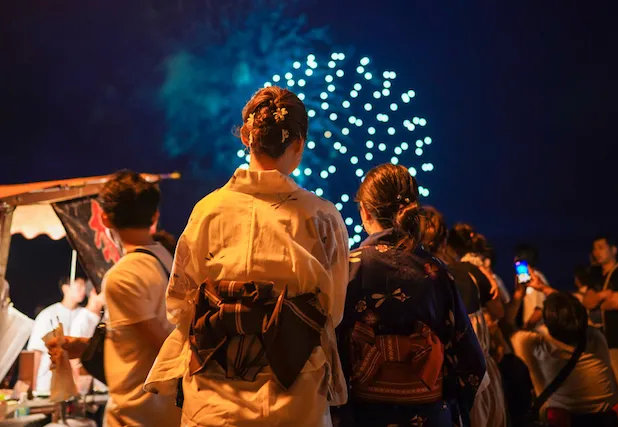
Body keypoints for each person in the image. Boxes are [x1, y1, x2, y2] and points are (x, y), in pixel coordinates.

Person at [143, 86, 349, 426]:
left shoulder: (208, 210)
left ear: (246, 137)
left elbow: (180, 303)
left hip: (213, 397)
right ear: (298, 145)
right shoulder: (321, 216)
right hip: (294, 390)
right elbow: (332, 309)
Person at [336, 168, 486, 427]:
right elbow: (471, 361)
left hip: (367, 416)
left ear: (365, 212)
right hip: (429, 415)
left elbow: (333, 351)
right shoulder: (436, 270)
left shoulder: (347, 268)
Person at [48, 171, 181, 426]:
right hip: (169, 410)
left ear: (105, 219)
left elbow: (164, 347)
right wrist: (86, 347)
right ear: (154, 216)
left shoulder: (123, 275)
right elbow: (142, 338)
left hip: (137, 414)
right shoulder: (166, 259)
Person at [512, 286, 618, 425]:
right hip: (604, 419)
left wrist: (519, 295)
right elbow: (575, 315)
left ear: (547, 323)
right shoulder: (596, 337)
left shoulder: (537, 345)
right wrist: (544, 288)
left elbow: (508, 326)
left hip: (566, 421)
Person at [447, 223, 508, 427]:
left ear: (450, 247)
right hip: (484, 361)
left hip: (462, 367)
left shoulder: (446, 272)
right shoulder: (478, 271)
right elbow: (499, 312)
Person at [583, 236, 618, 417]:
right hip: (611, 342)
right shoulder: (596, 275)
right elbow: (587, 301)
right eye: (594, 248)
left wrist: (599, 299)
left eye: (601, 247)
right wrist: (605, 294)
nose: (596, 252)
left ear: (613, 249)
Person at [26, 276, 97, 393]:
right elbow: (36, 352)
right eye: (79, 286)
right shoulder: (48, 315)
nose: (83, 290)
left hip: (77, 388)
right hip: (47, 385)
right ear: (65, 288)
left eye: (84, 286)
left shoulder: (85, 315)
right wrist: (31, 387)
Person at [515, 244, 550, 330]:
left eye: (517, 258)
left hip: (538, 332)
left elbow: (539, 310)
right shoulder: (534, 278)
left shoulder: (534, 281)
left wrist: (525, 329)